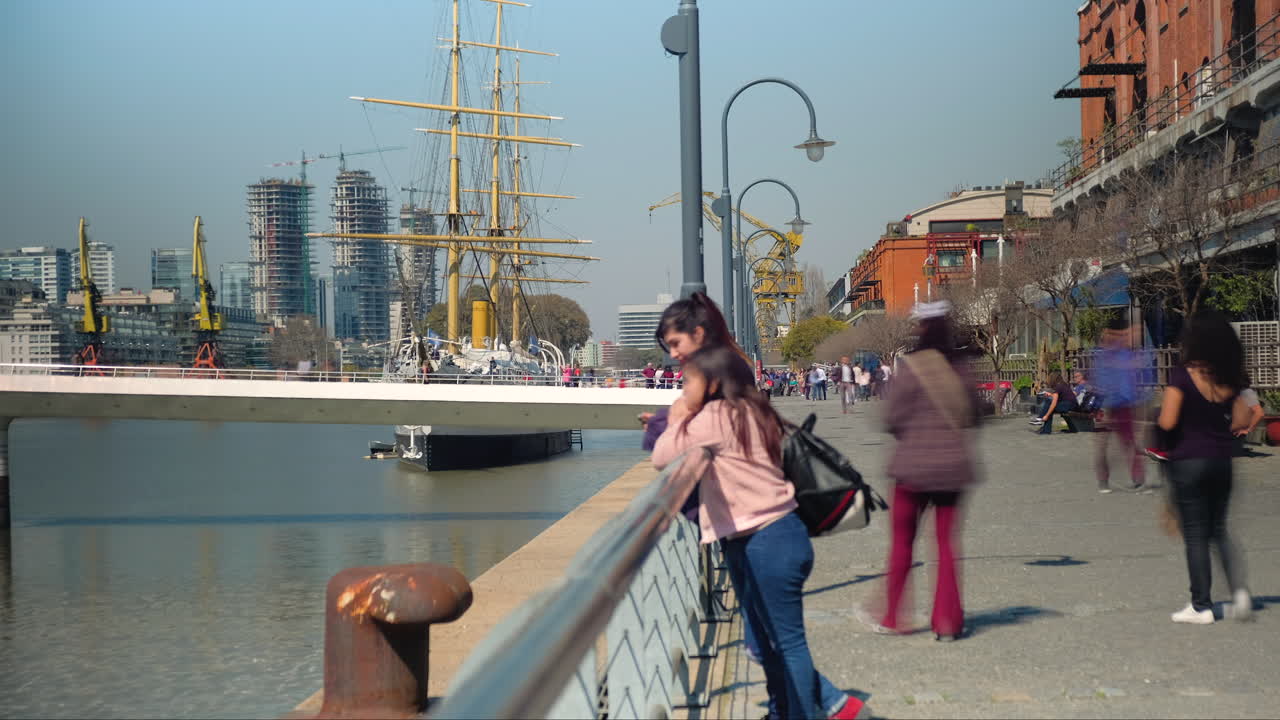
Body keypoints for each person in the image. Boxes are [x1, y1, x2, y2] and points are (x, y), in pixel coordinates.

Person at [652, 344, 868, 720]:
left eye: (689, 381)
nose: (682, 387)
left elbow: (661, 456)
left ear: (714, 383)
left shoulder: (715, 417)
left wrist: (679, 414)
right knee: (770, 642)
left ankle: (802, 712)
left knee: (785, 643)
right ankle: (784, 709)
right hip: (776, 535)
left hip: (766, 540)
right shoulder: (754, 409)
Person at [868, 300, 979, 641]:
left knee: (903, 543)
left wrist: (910, 432)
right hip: (952, 470)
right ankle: (947, 621)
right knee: (946, 546)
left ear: (923, 329)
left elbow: (890, 417)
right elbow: (975, 414)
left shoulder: (912, 367)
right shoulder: (961, 368)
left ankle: (892, 617)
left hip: (912, 470)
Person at [1159, 311, 1253, 624]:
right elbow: (1241, 421)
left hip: (1189, 460)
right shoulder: (1227, 378)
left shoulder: (1183, 375)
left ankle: (1201, 606)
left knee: (1196, 535)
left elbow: (1168, 421)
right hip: (1221, 461)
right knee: (1219, 530)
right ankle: (1239, 595)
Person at [1094, 317, 1145, 493]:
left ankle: (1137, 477)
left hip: (1124, 404)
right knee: (1104, 445)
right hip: (1107, 405)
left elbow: (1130, 380)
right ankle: (1104, 479)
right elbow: (1100, 380)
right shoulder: (1103, 355)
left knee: (1129, 443)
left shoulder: (1124, 354)